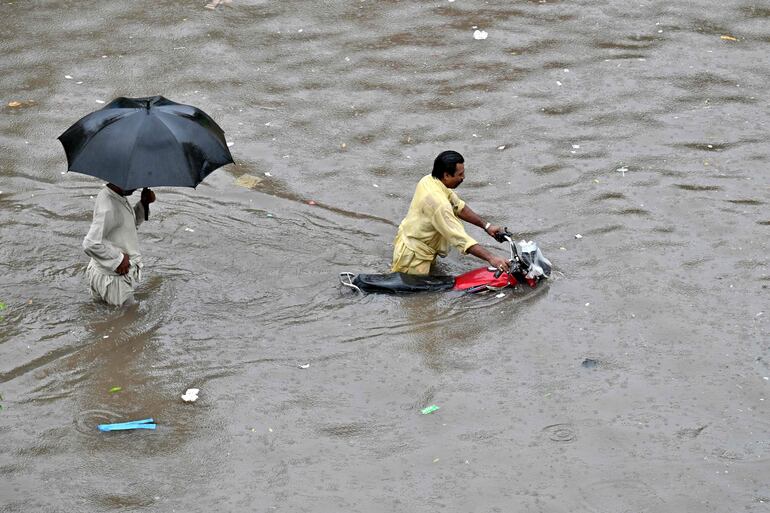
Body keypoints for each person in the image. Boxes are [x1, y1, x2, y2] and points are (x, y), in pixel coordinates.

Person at [391, 150, 511, 276]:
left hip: (417, 246)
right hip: (414, 257)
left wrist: (487, 226)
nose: (463, 178)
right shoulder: (438, 204)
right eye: (460, 174)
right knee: (417, 294)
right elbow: (460, 238)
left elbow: (458, 206)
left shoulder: (429, 180)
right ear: (446, 175)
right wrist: (492, 258)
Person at [82, 184, 156, 306]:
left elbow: (126, 225)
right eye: (134, 182)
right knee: (129, 317)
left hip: (102, 272)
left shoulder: (112, 195)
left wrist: (144, 203)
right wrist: (118, 259)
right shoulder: (109, 206)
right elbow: (90, 243)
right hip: (114, 280)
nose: (136, 186)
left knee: (105, 316)